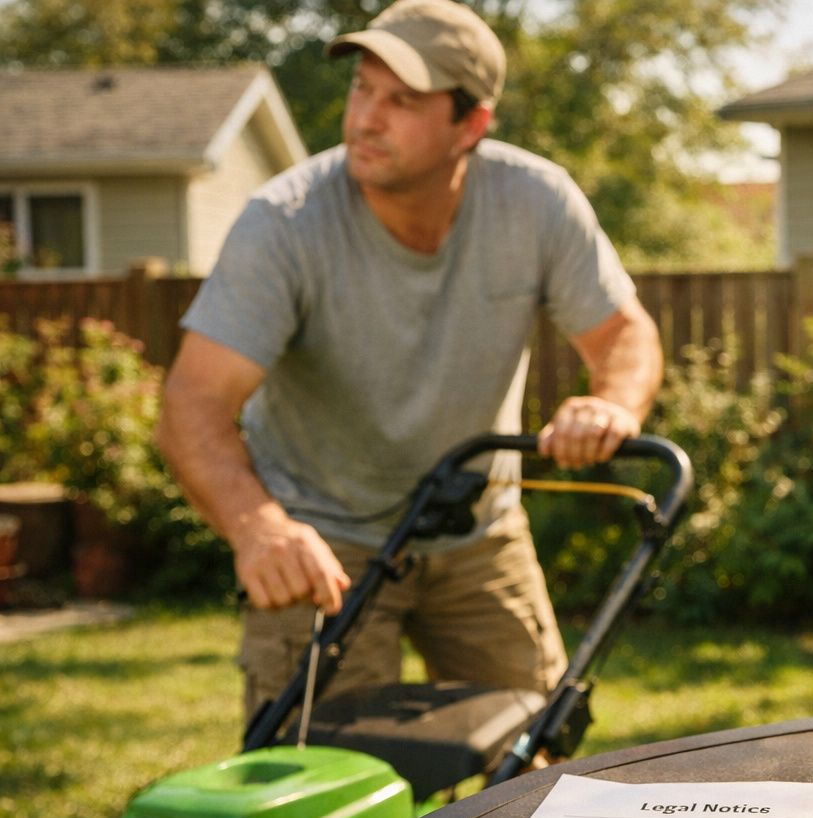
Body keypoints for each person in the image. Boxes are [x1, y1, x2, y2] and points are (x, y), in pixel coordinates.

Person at [156, 0, 663, 719]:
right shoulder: (286, 223)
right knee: (322, 781)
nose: (365, 117)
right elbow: (192, 405)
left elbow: (623, 334)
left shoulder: (535, 202)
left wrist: (612, 402)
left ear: (471, 125)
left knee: (535, 759)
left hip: (479, 532)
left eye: (402, 101)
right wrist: (258, 527)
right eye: (362, 88)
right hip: (323, 541)